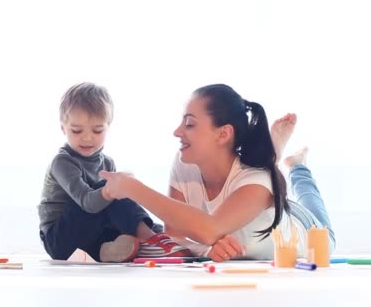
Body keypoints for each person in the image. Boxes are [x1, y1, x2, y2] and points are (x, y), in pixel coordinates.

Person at [99, 84, 335, 262]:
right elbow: (175, 236)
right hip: (256, 204)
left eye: (189, 124)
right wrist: (207, 249)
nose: (177, 131)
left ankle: (297, 167)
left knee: (312, 206)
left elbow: (209, 229)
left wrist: (132, 187)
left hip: (307, 230)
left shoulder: (256, 182)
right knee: (264, 174)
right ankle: (272, 156)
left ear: (223, 134)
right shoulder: (184, 163)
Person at [38, 82, 190, 262]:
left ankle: (114, 248)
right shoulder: (62, 162)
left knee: (118, 203)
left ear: (108, 127)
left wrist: (119, 190)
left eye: (97, 130)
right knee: (111, 188)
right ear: (63, 128)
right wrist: (113, 189)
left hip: (89, 237)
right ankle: (152, 239)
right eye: (77, 130)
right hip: (60, 240)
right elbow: (88, 202)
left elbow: (113, 212)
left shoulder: (107, 162)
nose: (87, 137)